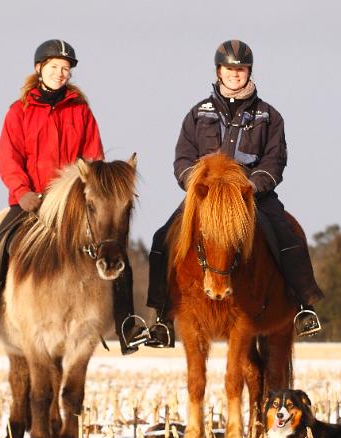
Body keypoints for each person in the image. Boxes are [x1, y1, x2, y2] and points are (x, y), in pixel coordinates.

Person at [131, 39, 324, 348]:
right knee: (161, 239)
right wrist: (195, 186)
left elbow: (275, 159)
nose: (236, 74)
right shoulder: (198, 113)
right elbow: (183, 158)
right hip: (204, 199)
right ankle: (163, 318)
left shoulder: (268, 115)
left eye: (241, 69)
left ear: (249, 72)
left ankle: (303, 306)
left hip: (251, 197)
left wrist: (252, 186)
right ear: (219, 71)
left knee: (286, 236)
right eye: (230, 69)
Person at [0, 39, 138, 361]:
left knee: (112, 245)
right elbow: (8, 158)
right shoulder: (19, 112)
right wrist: (23, 192)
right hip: (30, 201)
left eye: (66, 69)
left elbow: (94, 159)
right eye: (55, 67)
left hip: (71, 208)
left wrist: (94, 192)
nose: (61, 73)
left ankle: (128, 322)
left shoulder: (81, 111)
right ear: (39, 69)